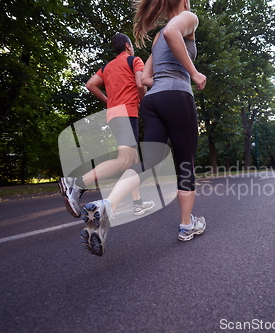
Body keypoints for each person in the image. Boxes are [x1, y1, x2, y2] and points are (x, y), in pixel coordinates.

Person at [80, 0, 207, 256]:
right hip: (177, 97)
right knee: (185, 162)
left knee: (148, 162)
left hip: (152, 101)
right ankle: (186, 225)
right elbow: (174, 33)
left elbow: (145, 79)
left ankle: (107, 206)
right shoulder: (188, 19)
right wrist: (192, 73)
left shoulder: (157, 37)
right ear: (184, 1)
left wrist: (164, 78)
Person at [58, 33, 154, 223]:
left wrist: (108, 101)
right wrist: (143, 103)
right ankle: (76, 184)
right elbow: (140, 83)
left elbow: (90, 84)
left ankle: (137, 203)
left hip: (114, 116)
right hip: (127, 114)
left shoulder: (107, 67)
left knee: (133, 160)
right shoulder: (134, 60)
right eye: (132, 45)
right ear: (128, 46)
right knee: (125, 160)